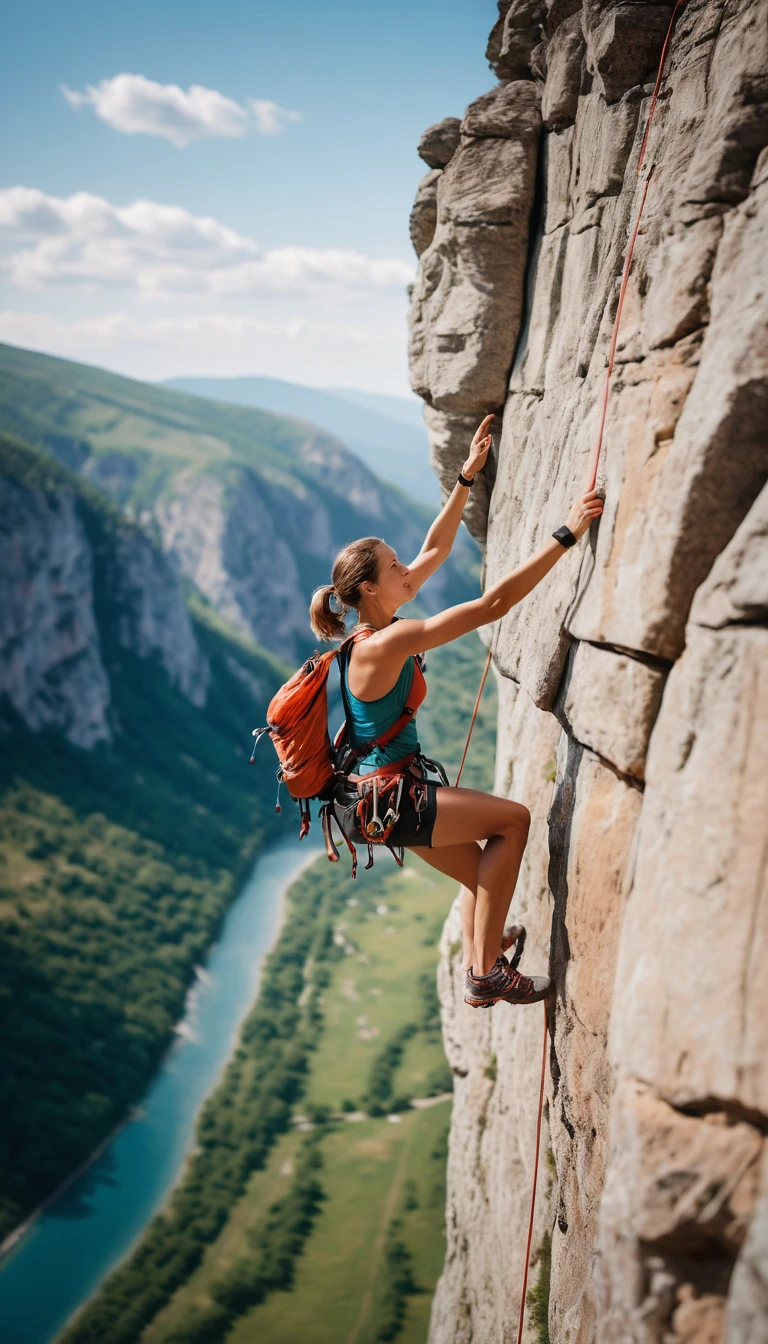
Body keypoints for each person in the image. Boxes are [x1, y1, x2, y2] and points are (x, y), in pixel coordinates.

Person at [309, 415, 603, 1008]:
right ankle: (484, 969)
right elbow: (491, 603)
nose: (406, 570)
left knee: (478, 874)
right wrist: (567, 535)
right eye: (394, 568)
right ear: (369, 589)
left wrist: (466, 478)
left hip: (377, 802)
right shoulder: (385, 642)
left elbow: (436, 548)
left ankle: (483, 954)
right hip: (392, 798)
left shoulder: (373, 625)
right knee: (512, 822)